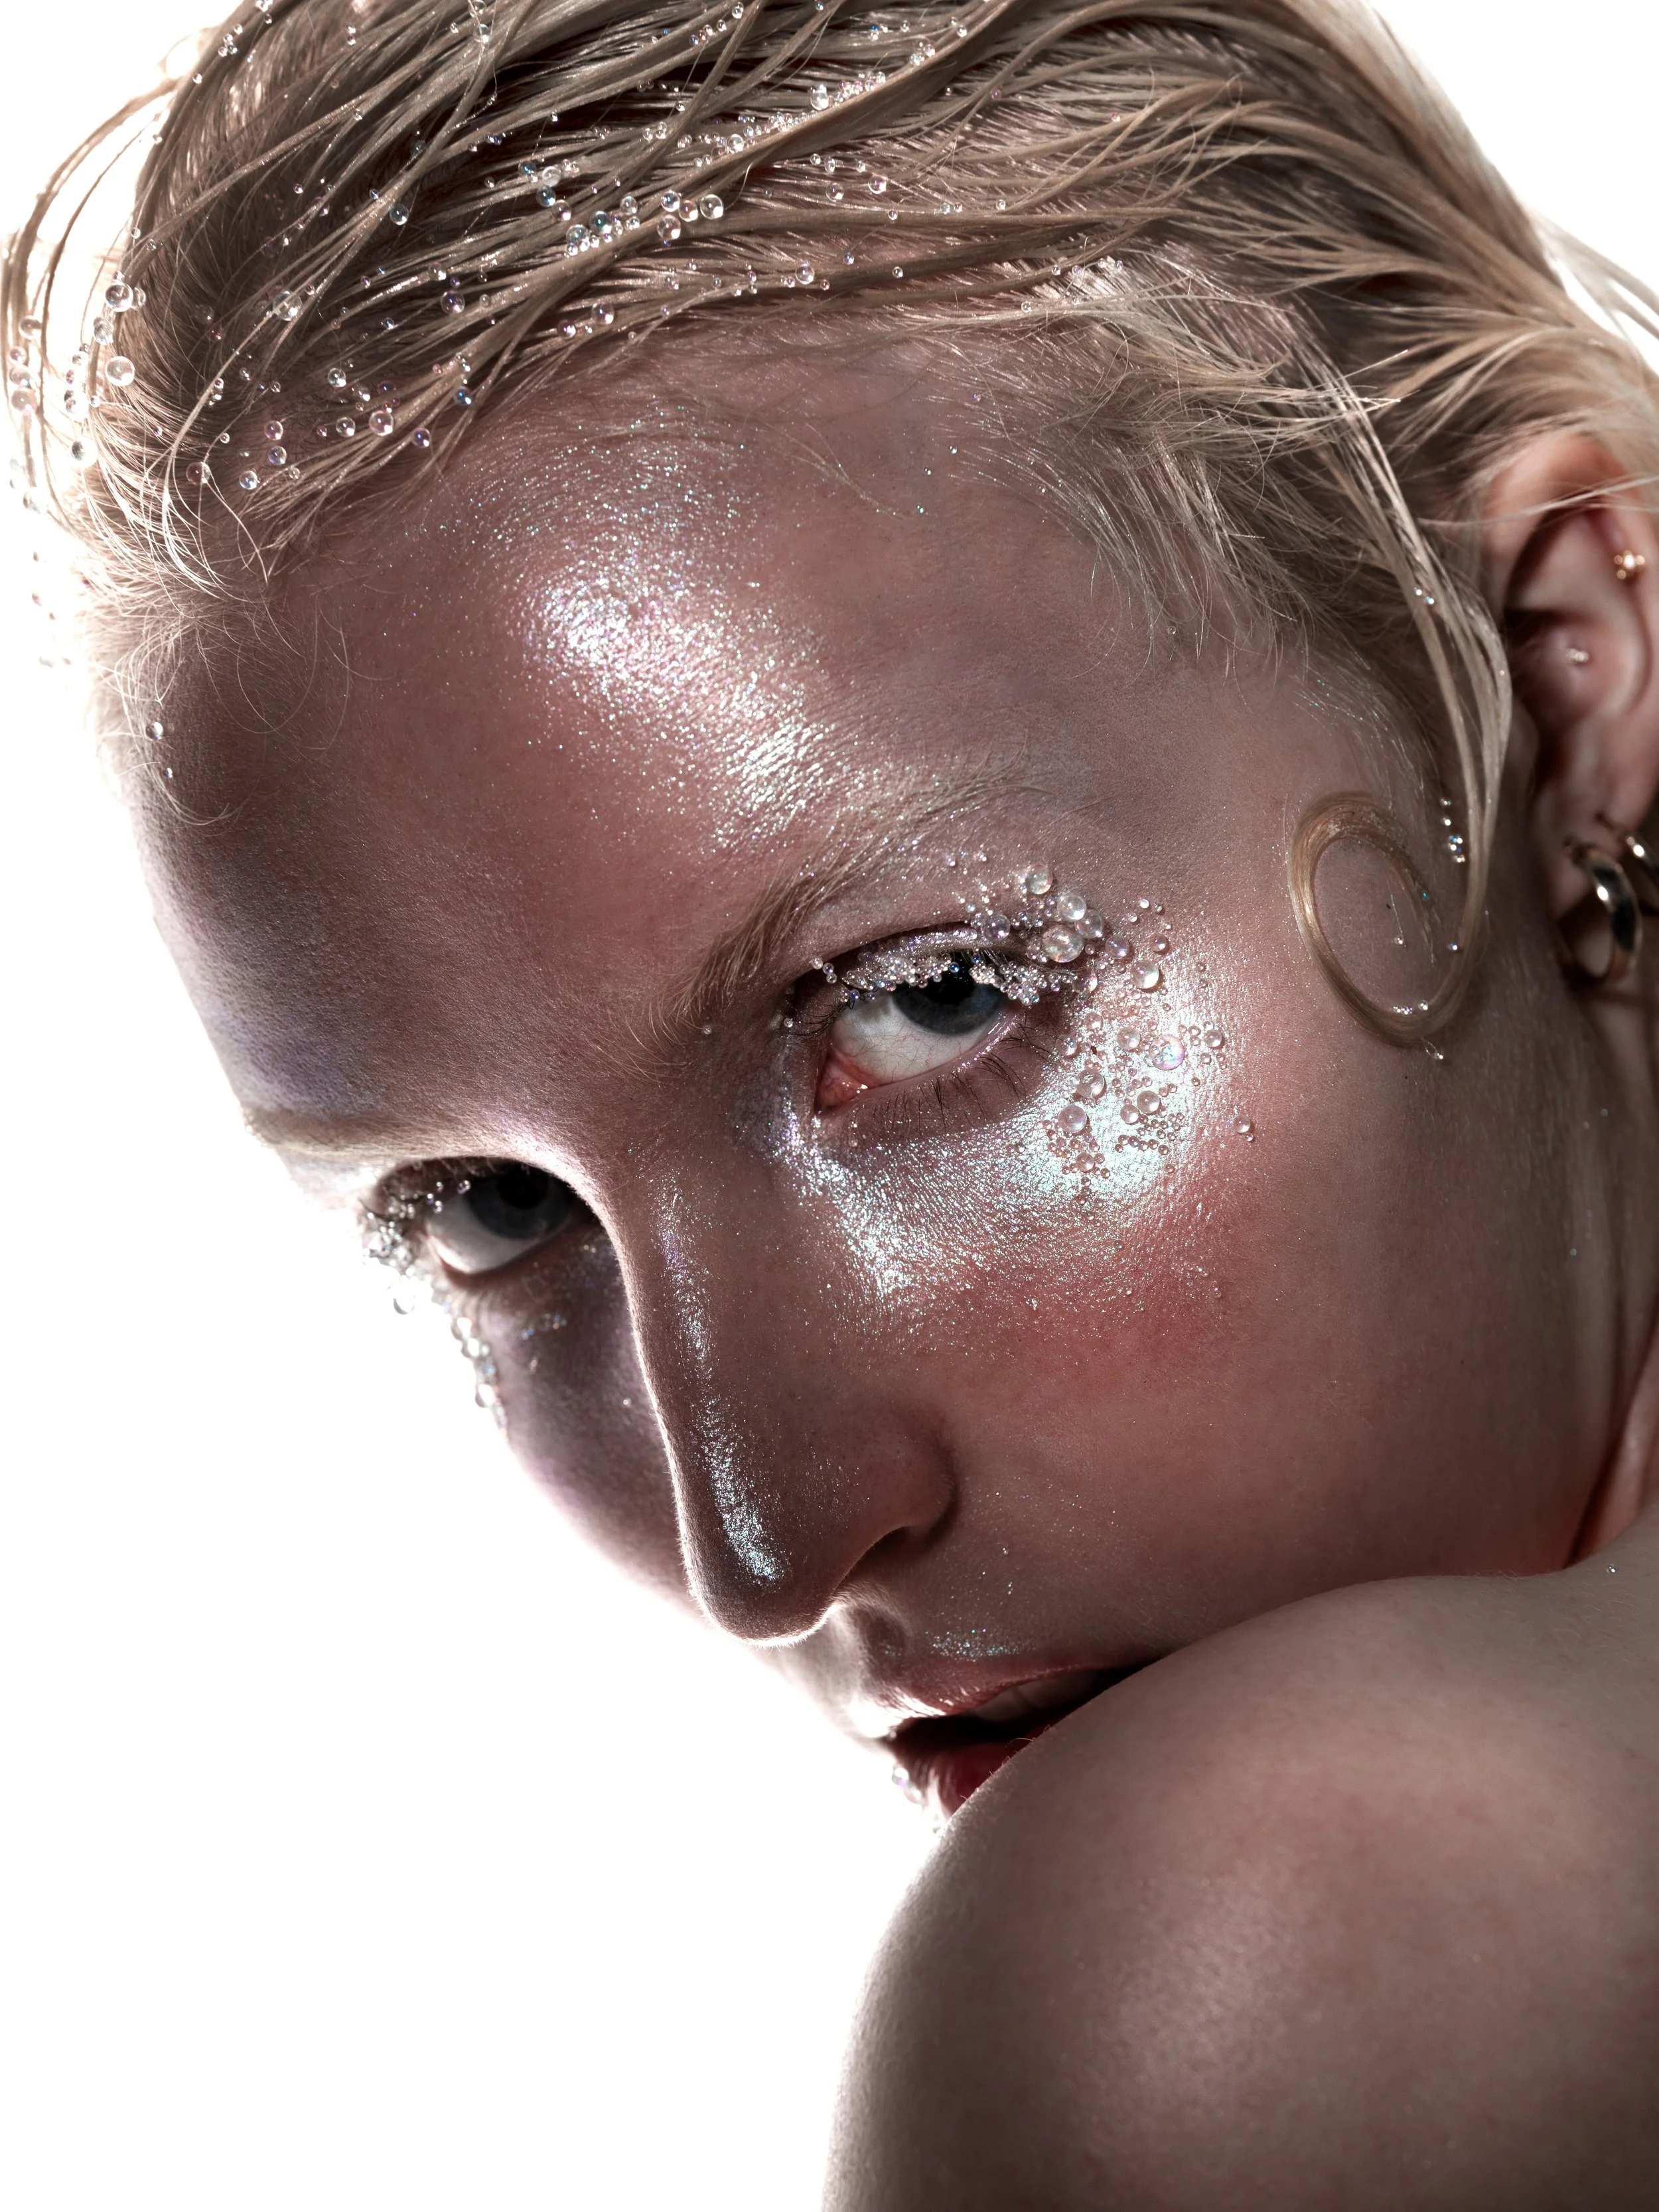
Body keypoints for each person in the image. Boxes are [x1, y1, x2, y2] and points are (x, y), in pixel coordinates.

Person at [9, 0, 1659, 2199]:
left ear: (1559, 666)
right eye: (490, 1211)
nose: (760, 1537)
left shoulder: (1261, 1968)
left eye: (929, 1005)